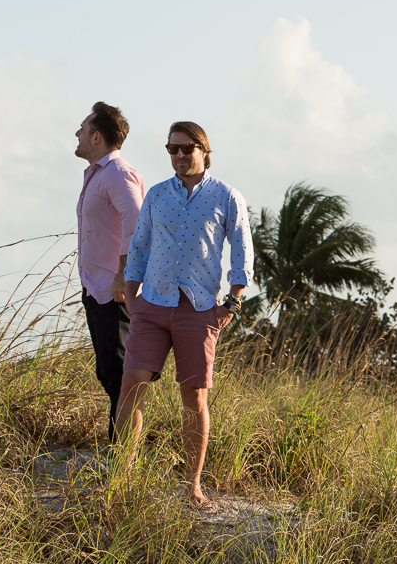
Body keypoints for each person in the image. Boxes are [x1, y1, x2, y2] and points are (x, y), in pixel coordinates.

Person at [115, 121, 253, 506]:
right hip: (152, 306)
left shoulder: (226, 196)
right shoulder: (158, 195)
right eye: (171, 149)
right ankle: (122, 480)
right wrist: (131, 295)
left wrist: (233, 302)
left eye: (185, 149)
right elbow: (139, 244)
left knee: (193, 397)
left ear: (203, 150)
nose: (178, 156)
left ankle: (192, 486)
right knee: (132, 386)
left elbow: (242, 249)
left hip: (199, 310)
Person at [75, 101, 145, 440]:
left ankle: (123, 463)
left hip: (115, 291)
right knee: (110, 375)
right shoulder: (98, 175)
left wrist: (122, 274)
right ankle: (119, 456)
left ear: (97, 137)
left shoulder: (118, 174)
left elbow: (138, 224)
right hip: (97, 289)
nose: (77, 134)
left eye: (83, 129)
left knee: (121, 376)